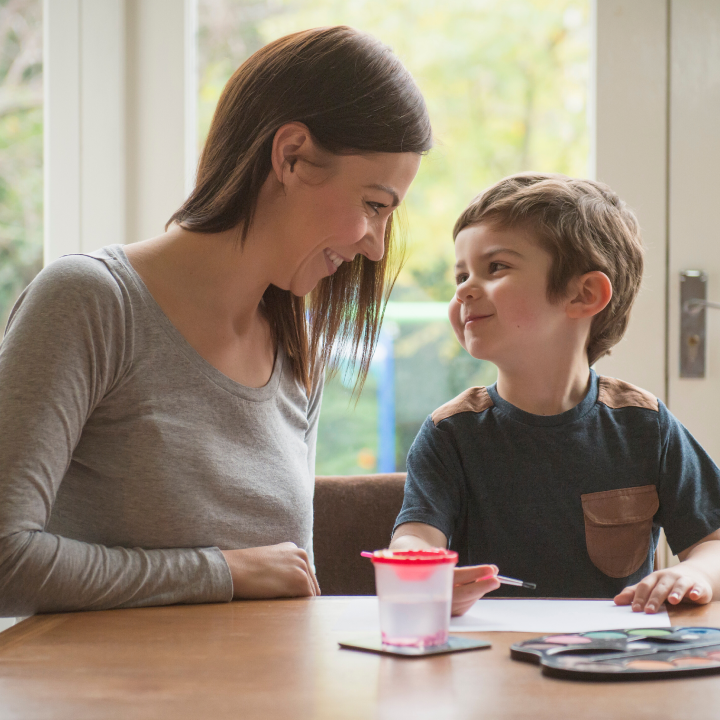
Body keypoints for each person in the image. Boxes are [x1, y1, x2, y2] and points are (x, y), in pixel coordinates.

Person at [0, 26, 431, 616]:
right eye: (373, 205)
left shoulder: (295, 346)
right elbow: (5, 560)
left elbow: (286, 587)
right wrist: (219, 571)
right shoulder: (89, 303)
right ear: (292, 156)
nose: (378, 246)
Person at [389, 173, 720, 616]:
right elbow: (414, 539)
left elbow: (714, 544)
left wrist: (696, 574)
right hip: (489, 666)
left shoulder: (646, 425)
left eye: (496, 268)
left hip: (613, 665)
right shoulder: (449, 433)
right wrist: (422, 572)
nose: (464, 289)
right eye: (461, 274)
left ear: (584, 294)